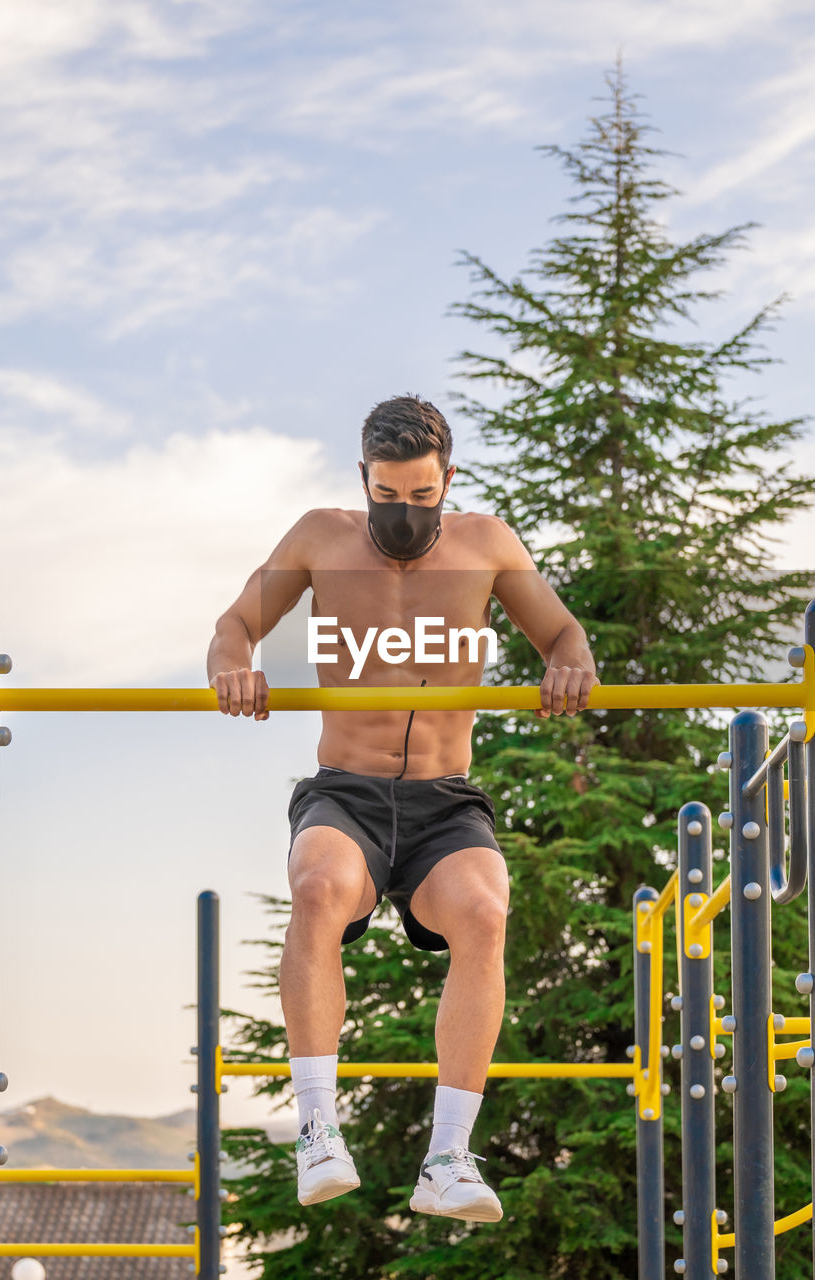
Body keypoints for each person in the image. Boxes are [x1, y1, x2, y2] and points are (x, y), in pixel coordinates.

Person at [207, 395, 598, 1223]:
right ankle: (317, 1130)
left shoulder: (488, 544)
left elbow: (563, 636)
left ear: (447, 482)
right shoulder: (318, 534)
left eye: (423, 498)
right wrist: (234, 663)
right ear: (364, 480)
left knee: (486, 912)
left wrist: (567, 665)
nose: (405, 514)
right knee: (315, 891)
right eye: (389, 496)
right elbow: (236, 623)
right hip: (344, 793)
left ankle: (448, 1158)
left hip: (443, 803)